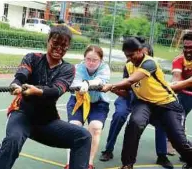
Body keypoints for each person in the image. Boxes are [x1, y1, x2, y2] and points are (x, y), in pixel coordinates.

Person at [0, 25, 92, 169]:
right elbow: (20, 76)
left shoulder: (68, 69)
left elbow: (56, 90)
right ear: (48, 41)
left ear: (68, 47)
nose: (59, 49)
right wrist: (15, 85)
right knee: (13, 140)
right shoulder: (32, 58)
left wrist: (35, 90)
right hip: (22, 115)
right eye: (55, 44)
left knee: (83, 136)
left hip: (46, 122)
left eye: (64, 46)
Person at [101, 37, 192, 169]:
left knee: (178, 139)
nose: (130, 58)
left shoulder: (150, 63)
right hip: (144, 103)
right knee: (134, 124)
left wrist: (111, 85)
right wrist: (112, 89)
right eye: (127, 56)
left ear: (139, 51)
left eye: (132, 55)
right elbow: (127, 90)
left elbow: (130, 81)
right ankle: (127, 164)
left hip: (166, 103)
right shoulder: (128, 65)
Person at [65, 45, 110, 169]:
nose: (90, 62)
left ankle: (88, 163)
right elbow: (75, 82)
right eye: (88, 59)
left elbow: (101, 80)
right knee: (74, 127)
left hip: (98, 103)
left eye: (94, 60)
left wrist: (88, 83)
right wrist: (81, 85)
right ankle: (70, 162)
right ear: (84, 58)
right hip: (78, 101)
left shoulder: (105, 68)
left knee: (95, 127)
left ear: (101, 60)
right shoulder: (78, 68)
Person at [170, 32, 192, 160]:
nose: (188, 50)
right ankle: (185, 150)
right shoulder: (178, 60)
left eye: (191, 47)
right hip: (185, 94)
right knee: (178, 120)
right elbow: (176, 78)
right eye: (185, 47)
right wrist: (176, 85)